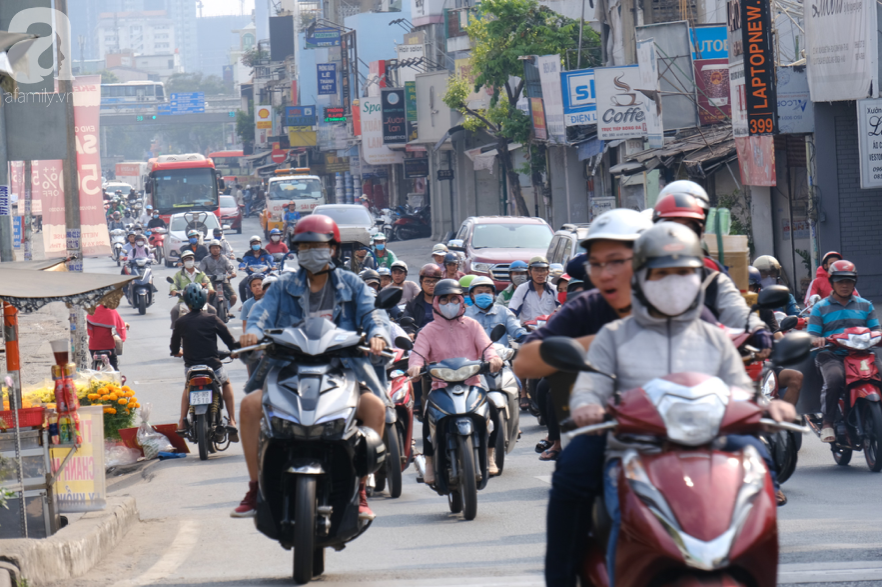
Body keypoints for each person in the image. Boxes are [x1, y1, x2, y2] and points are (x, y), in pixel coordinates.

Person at [570, 222, 796, 587]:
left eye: (684, 272)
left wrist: (767, 408)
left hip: (715, 450)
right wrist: (587, 407)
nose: (673, 282)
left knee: (757, 475)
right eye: (662, 273)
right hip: (635, 452)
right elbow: (589, 386)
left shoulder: (716, 339)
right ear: (641, 278)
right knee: (611, 518)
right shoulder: (613, 337)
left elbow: (739, 392)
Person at [234, 215, 389, 521]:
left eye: (317, 246)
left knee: (376, 408)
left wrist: (378, 335)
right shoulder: (282, 286)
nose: (310, 251)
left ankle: (359, 489)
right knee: (250, 406)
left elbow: (372, 314)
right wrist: (252, 330)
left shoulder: (352, 283)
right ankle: (255, 487)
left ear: (332, 249)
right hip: (287, 367)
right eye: (304, 246)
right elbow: (261, 314)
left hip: (343, 368)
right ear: (295, 250)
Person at [406, 279, 503, 480]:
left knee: (493, 408)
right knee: (428, 417)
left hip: (472, 384)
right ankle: (430, 462)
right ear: (436, 303)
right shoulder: (428, 330)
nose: (449, 303)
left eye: (453, 299)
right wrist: (415, 366)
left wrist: (493, 358)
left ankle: (490, 455)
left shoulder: (473, 325)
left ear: (461, 301)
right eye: (444, 300)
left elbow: (487, 347)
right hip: (440, 387)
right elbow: (418, 354)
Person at [651, 188, 771, 339]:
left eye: (688, 229)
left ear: (699, 233)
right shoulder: (644, 274)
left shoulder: (710, 273)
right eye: (671, 230)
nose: (679, 237)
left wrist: (756, 327)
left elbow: (733, 305)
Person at [808, 260, 882, 443]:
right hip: (831, 355)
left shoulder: (865, 305)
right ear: (831, 282)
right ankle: (827, 423)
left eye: (849, 281)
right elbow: (811, 335)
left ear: (854, 282)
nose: (845, 285)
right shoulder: (820, 307)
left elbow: (876, 330)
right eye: (840, 281)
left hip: (862, 355)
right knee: (834, 378)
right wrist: (817, 339)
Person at [171, 283, 239, 440]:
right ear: (204, 300)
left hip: (191, 368)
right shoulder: (212, 318)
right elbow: (229, 340)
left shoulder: (181, 322)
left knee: (187, 387)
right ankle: (232, 421)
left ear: (186, 302)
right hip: (213, 367)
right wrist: (234, 351)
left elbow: (174, 345)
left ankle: (182, 422)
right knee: (226, 383)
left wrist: (177, 352)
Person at [749, 266, 804, 406]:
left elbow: (776, 333)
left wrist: (790, 346)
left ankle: (782, 421)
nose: (746, 292)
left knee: (796, 377)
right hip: (737, 367)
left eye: (750, 287)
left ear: (757, 288)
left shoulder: (764, 309)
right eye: (741, 287)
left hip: (762, 364)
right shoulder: (726, 310)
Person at [464, 276, 526, 347]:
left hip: (501, 356)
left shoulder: (503, 311)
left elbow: (515, 329)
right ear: (472, 295)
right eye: (480, 292)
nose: (484, 295)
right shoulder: (465, 315)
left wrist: (523, 336)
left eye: (488, 292)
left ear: (493, 294)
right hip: (475, 356)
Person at [169, 250, 214, 328]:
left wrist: (210, 288)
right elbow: (173, 283)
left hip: (200, 302)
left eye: (190, 259)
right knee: (174, 311)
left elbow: (207, 282)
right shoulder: (179, 275)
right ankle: (175, 331)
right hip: (184, 301)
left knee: (213, 310)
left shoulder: (201, 273)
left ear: (194, 260)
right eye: (186, 259)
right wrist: (173, 290)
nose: (188, 261)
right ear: (183, 261)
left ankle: (212, 330)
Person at [509, 256, 559, 324]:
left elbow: (564, 309)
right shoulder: (522, 289)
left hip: (549, 331)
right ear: (529, 272)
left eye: (543, 270)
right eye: (536, 270)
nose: (540, 273)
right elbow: (512, 311)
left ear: (547, 272)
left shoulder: (554, 289)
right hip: (527, 331)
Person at [401, 263, 442, 333]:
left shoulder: (445, 302)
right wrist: (411, 333)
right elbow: (406, 323)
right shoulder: (413, 303)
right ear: (421, 282)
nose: (431, 284)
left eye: (435, 281)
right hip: (420, 339)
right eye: (427, 281)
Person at [86, 302, 127, 371]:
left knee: (93, 367)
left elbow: (89, 330)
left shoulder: (92, 311)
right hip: (109, 347)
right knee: (114, 368)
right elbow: (121, 328)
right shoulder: (113, 311)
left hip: (94, 346)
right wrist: (122, 338)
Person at [200, 240, 238, 308]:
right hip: (210, 282)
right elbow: (200, 271)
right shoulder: (205, 260)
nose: (215, 250)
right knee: (206, 296)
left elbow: (230, 266)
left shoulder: (224, 258)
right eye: (213, 248)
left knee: (234, 297)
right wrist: (203, 277)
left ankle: (227, 310)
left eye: (217, 248)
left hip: (224, 281)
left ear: (220, 249)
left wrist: (233, 272)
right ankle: (208, 310)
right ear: (210, 249)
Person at [238, 235, 276, 302]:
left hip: (264, 274)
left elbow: (271, 260)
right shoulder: (248, 254)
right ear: (251, 245)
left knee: (274, 283)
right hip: (251, 275)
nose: (256, 245)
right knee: (242, 285)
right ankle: (244, 303)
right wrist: (242, 266)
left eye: (257, 243)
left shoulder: (265, 252)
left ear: (260, 244)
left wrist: (273, 266)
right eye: (254, 244)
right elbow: (243, 262)